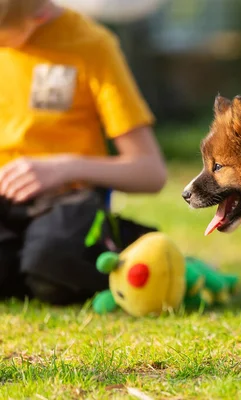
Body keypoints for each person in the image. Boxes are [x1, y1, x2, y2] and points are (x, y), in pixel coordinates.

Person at [0, 0, 167, 305]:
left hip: (67, 200)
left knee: (51, 266)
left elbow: (151, 171)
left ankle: (128, 244)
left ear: (40, 15)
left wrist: (64, 167)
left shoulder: (91, 45)